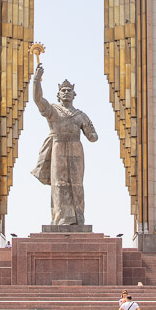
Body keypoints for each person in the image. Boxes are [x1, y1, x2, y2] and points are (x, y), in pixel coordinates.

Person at [30, 65, 98, 225]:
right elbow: (38, 100)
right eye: (63, 90)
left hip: (76, 148)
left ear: (74, 94)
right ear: (58, 94)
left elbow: (92, 137)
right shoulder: (53, 110)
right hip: (58, 146)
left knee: (76, 182)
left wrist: (91, 132)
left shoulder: (81, 115)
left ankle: (78, 219)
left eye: (69, 90)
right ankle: (60, 219)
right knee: (59, 183)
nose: (66, 92)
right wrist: (36, 81)